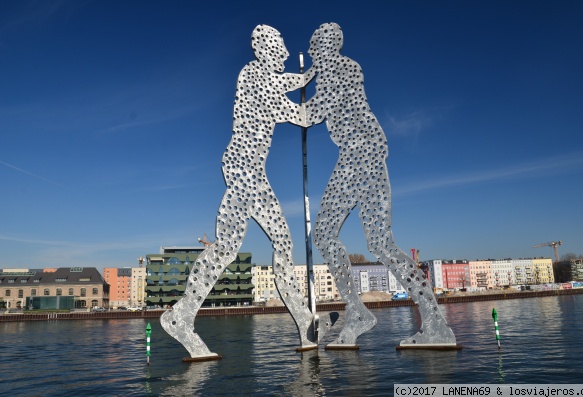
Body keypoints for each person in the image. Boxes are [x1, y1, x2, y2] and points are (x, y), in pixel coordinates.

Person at [161, 25, 332, 359]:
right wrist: (333, 98)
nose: (284, 53)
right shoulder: (255, 77)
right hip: (244, 170)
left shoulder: (263, 75)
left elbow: (291, 81)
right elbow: (301, 114)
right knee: (272, 243)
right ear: (264, 49)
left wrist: (312, 71)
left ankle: (182, 316)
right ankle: (303, 321)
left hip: (247, 169)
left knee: (230, 247)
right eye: (279, 47)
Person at [305, 23, 456, 347]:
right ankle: (431, 320)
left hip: (358, 158)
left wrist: (278, 101)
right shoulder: (345, 69)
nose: (315, 57)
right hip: (367, 155)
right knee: (380, 243)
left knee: (325, 234)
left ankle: (361, 312)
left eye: (316, 50)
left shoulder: (338, 70)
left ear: (324, 49)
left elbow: (312, 112)